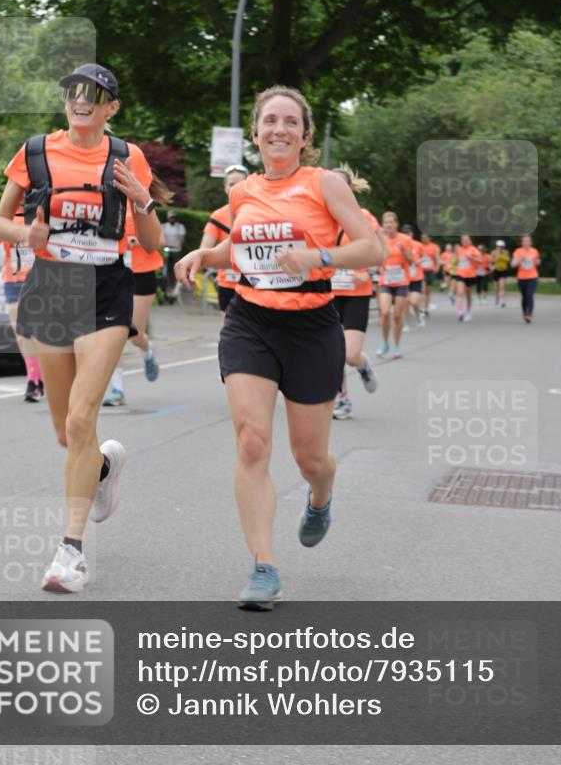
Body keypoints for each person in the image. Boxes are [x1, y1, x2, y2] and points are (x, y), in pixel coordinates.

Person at [175, 86, 382, 610]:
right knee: (251, 442)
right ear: (255, 132)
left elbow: (371, 248)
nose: (280, 129)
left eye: (291, 122)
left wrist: (316, 258)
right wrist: (205, 255)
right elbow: (238, 250)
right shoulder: (243, 191)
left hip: (313, 328)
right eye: (271, 120)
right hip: (251, 323)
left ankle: (319, 498)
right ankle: (264, 568)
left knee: (311, 458)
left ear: (306, 136)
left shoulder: (324, 183)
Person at [0, 63, 161, 593]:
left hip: (107, 290)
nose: (80, 99)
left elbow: (152, 244)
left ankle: (70, 553)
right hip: (52, 288)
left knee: (86, 415)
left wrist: (142, 198)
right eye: (72, 92)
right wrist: (27, 231)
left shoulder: (127, 156)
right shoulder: (37, 151)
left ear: (111, 106)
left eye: (93, 94)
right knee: (68, 432)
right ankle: (103, 470)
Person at [104, 177, 174, 405]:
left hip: (143, 276)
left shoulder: (144, 206)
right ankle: (116, 389)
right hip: (116, 275)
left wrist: (137, 240)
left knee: (134, 335)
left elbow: (160, 240)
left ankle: (147, 351)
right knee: (116, 332)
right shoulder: (111, 205)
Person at [328, 164, 385, 420]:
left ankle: (362, 365)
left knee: (350, 354)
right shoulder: (316, 217)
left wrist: (369, 272)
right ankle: (343, 400)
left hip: (356, 294)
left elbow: (381, 252)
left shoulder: (363, 216)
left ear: (349, 189)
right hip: (326, 293)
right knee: (332, 352)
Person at [0, 210, 43, 402]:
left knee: (40, 333)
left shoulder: (41, 214)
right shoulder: (6, 219)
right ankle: (34, 381)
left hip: (41, 279)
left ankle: (44, 376)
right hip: (13, 281)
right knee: (22, 334)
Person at [199, 164, 248, 315]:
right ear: (225, 188)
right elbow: (204, 250)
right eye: (231, 184)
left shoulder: (260, 212)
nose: (236, 187)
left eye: (240, 183)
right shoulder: (218, 216)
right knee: (230, 330)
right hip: (228, 282)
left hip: (255, 283)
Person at [376, 212, 414, 359]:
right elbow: (376, 257)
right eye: (386, 222)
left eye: (391, 222)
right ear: (383, 225)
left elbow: (411, 262)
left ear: (396, 224)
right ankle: (385, 343)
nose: (389, 225)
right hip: (385, 281)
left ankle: (396, 346)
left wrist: (403, 251)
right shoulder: (380, 240)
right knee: (385, 313)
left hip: (401, 282)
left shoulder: (405, 239)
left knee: (397, 316)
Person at [511, 235, 541, 323]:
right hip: (521, 277)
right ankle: (525, 312)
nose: (526, 243)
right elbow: (513, 264)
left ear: (531, 242)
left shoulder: (535, 251)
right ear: (522, 243)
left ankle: (529, 314)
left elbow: (538, 262)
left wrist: (537, 261)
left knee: (529, 295)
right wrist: (520, 259)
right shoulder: (518, 251)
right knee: (524, 296)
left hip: (533, 277)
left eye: (528, 241)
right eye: (524, 241)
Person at [401, 224, 425, 331]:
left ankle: (419, 316)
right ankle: (407, 324)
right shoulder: (399, 245)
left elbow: (425, 257)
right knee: (405, 301)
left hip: (416, 276)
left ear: (411, 234)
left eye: (408, 233)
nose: (406, 235)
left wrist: (419, 261)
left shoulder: (418, 245)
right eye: (404, 233)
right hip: (404, 277)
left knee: (414, 302)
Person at [453, 234, 482, 321]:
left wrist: (471, 257)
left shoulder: (473, 249)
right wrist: (456, 260)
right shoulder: (459, 250)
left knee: (468, 295)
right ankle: (460, 312)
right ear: (461, 241)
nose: (465, 241)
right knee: (460, 293)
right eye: (463, 240)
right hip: (460, 274)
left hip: (470, 275)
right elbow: (455, 262)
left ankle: (469, 311)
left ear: (470, 241)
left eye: (466, 240)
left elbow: (480, 261)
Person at [419, 232, 440, 317]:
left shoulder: (434, 246)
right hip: (421, 270)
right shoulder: (419, 246)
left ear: (429, 238)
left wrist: (437, 267)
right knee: (422, 290)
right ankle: (422, 309)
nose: (424, 239)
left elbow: (437, 258)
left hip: (430, 270)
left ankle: (426, 308)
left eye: (425, 237)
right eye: (422, 238)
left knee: (427, 291)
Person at [491, 239, 510, 307]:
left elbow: (508, 260)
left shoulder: (506, 252)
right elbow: (491, 261)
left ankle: (502, 301)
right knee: (496, 287)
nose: (500, 247)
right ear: (497, 246)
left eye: (501, 246)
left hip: (503, 270)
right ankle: (497, 296)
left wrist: (504, 258)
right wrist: (496, 259)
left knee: (502, 286)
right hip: (496, 270)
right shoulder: (494, 252)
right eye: (499, 246)